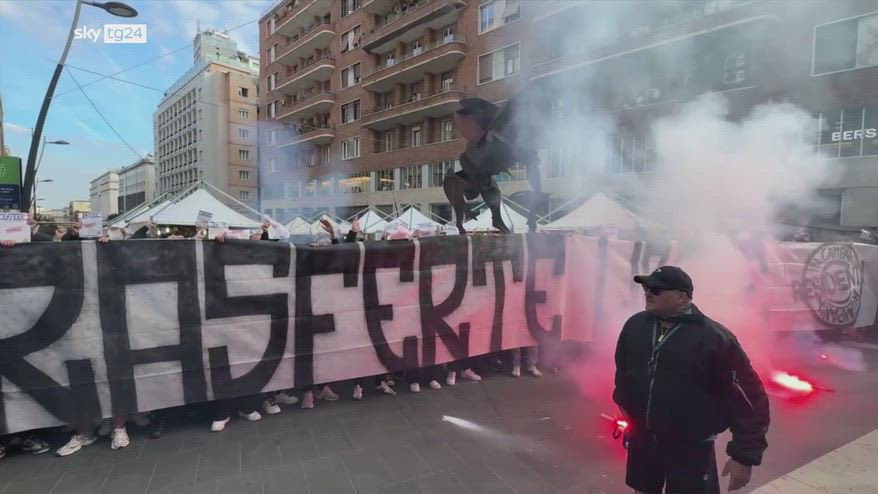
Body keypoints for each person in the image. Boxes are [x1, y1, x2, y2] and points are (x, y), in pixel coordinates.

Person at [613, 266, 769, 494]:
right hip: (643, 439)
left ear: (681, 296)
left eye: (655, 289)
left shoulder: (714, 338)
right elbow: (623, 370)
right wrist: (623, 402)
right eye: (646, 288)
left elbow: (750, 400)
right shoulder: (635, 325)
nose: (647, 293)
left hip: (690, 446)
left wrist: (743, 457)